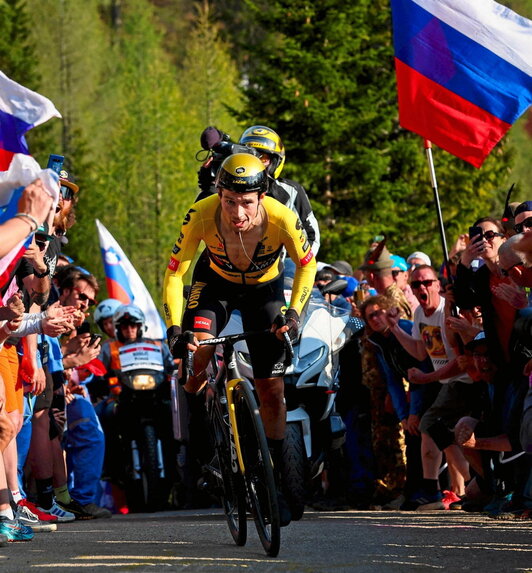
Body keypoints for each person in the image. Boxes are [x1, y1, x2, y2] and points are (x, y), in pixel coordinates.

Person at [163, 153, 316, 526]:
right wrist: (174, 331)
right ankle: (198, 415)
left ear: (262, 196)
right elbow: (173, 274)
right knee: (198, 349)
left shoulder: (282, 216)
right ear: (220, 192)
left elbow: (306, 263)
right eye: (229, 201)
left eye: (246, 202)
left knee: (272, 391)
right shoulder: (201, 212)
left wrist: (294, 312)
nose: (237, 212)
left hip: (264, 291)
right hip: (214, 284)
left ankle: (275, 479)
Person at [386, 265, 476, 510]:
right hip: (447, 382)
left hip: (465, 381)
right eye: (416, 285)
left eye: (427, 282)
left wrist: (427, 378)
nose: (421, 288)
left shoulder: (446, 312)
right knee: (441, 431)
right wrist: (394, 327)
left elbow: (460, 362)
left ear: (438, 284)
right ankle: (463, 486)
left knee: (433, 425)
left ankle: (445, 488)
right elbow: (419, 350)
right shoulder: (419, 315)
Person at [197, 125, 320, 256]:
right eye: (250, 156)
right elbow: (199, 222)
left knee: (289, 274)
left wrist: (298, 263)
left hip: (279, 264)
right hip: (228, 262)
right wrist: (211, 185)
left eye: (263, 158)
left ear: (275, 161)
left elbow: (312, 236)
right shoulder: (227, 189)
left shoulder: (290, 191)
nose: (256, 163)